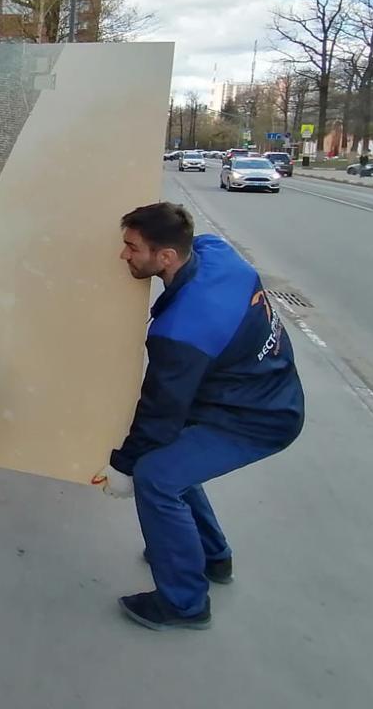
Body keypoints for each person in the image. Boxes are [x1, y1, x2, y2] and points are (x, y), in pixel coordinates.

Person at [95, 202, 305, 631]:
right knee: (174, 462)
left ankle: (184, 603)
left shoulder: (183, 329)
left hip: (257, 419)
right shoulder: (214, 251)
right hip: (260, 390)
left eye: (132, 247)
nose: (124, 255)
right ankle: (212, 556)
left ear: (166, 258)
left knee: (155, 476)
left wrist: (123, 465)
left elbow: (159, 414)